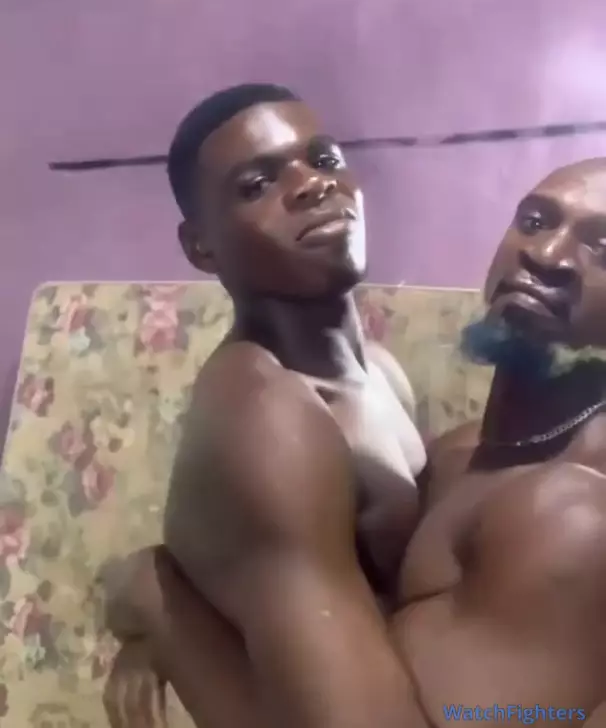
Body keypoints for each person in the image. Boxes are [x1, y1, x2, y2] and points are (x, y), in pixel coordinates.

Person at [107, 149, 606, 726]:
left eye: (603, 248)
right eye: (535, 221)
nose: (547, 255)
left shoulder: (574, 515)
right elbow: (338, 637)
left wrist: (163, 609)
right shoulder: (460, 453)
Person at [102, 83, 425, 728]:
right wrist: (163, 610)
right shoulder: (266, 418)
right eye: (256, 184)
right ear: (202, 247)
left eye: (325, 159)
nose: (313, 184)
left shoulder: (382, 372)